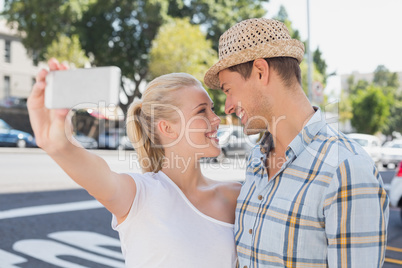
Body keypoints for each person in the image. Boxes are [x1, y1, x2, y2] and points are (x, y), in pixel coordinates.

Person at [204, 18, 389, 267]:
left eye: (228, 90)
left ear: (261, 71)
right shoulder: (256, 160)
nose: (227, 106)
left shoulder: (346, 169)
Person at [28, 58, 241, 267]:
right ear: (167, 128)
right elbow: (97, 175)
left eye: (211, 108)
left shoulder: (235, 194)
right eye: (201, 110)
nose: (215, 119)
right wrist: (59, 145)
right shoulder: (139, 195)